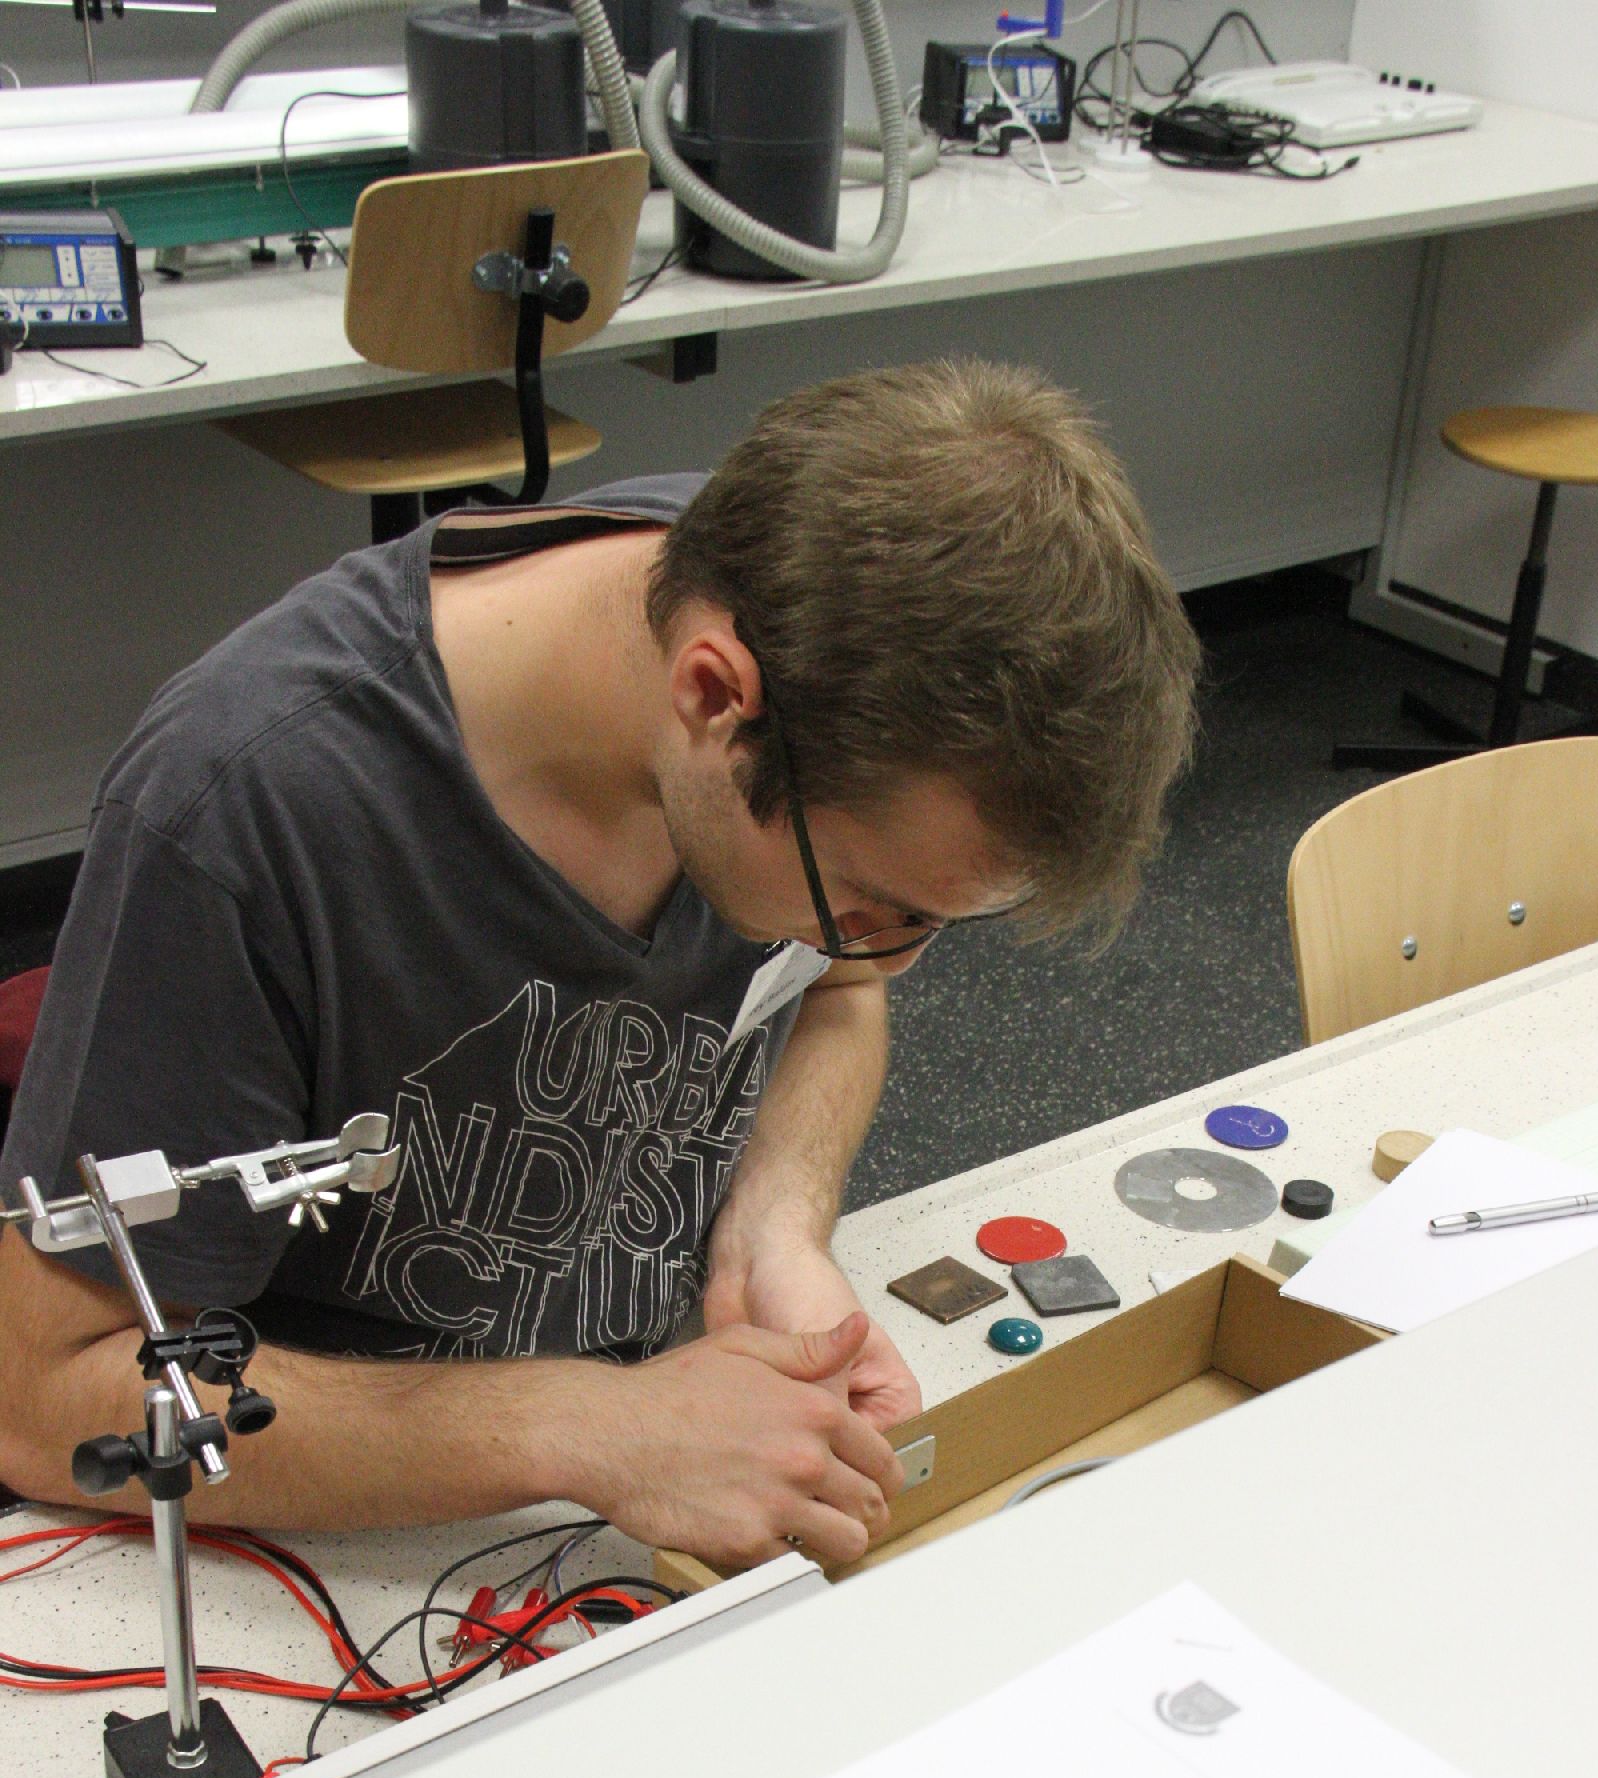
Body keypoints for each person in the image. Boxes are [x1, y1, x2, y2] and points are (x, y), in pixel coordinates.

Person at [0, 360, 1198, 1570]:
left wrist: (771, 1229)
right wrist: (583, 1425)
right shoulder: (242, 805)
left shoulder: (806, 606)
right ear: (713, 695)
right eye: (873, 903)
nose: (884, 951)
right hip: (337, 1534)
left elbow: (837, 990)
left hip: (655, 1455)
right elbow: (47, 1399)